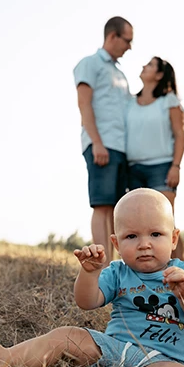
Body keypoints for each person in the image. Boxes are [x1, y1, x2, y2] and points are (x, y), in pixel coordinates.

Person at [0, 188, 184, 367]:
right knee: (67, 336)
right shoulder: (118, 272)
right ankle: (4, 359)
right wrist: (89, 273)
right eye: (131, 236)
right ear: (116, 244)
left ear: (173, 238)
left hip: (164, 362)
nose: (144, 244)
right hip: (114, 350)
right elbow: (87, 302)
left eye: (155, 234)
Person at [73, 16, 133, 266]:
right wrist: (96, 142)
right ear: (112, 36)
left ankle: (115, 263)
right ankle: (102, 264)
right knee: (102, 205)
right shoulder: (90, 64)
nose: (129, 46)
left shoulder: (120, 74)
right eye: (127, 40)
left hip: (121, 148)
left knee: (117, 210)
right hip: (102, 144)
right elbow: (84, 104)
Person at [126, 57, 184, 260]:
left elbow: (179, 134)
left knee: (165, 223)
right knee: (138, 224)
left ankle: (181, 272)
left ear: (159, 75)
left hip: (161, 167)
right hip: (133, 168)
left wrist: (175, 166)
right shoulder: (129, 102)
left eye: (150, 65)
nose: (144, 66)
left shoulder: (168, 100)